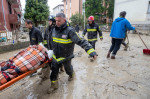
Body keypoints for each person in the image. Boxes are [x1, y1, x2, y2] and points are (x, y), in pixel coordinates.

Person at [47, 13, 97, 93]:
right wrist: (49, 50)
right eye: (56, 21)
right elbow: (50, 41)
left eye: (59, 21)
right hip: (56, 56)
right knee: (54, 72)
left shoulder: (70, 31)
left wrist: (91, 51)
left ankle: (71, 74)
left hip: (67, 56)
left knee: (68, 69)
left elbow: (81, 41)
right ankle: (54, 86)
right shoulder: (54, 29)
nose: (57, 23)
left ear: (64, 20)